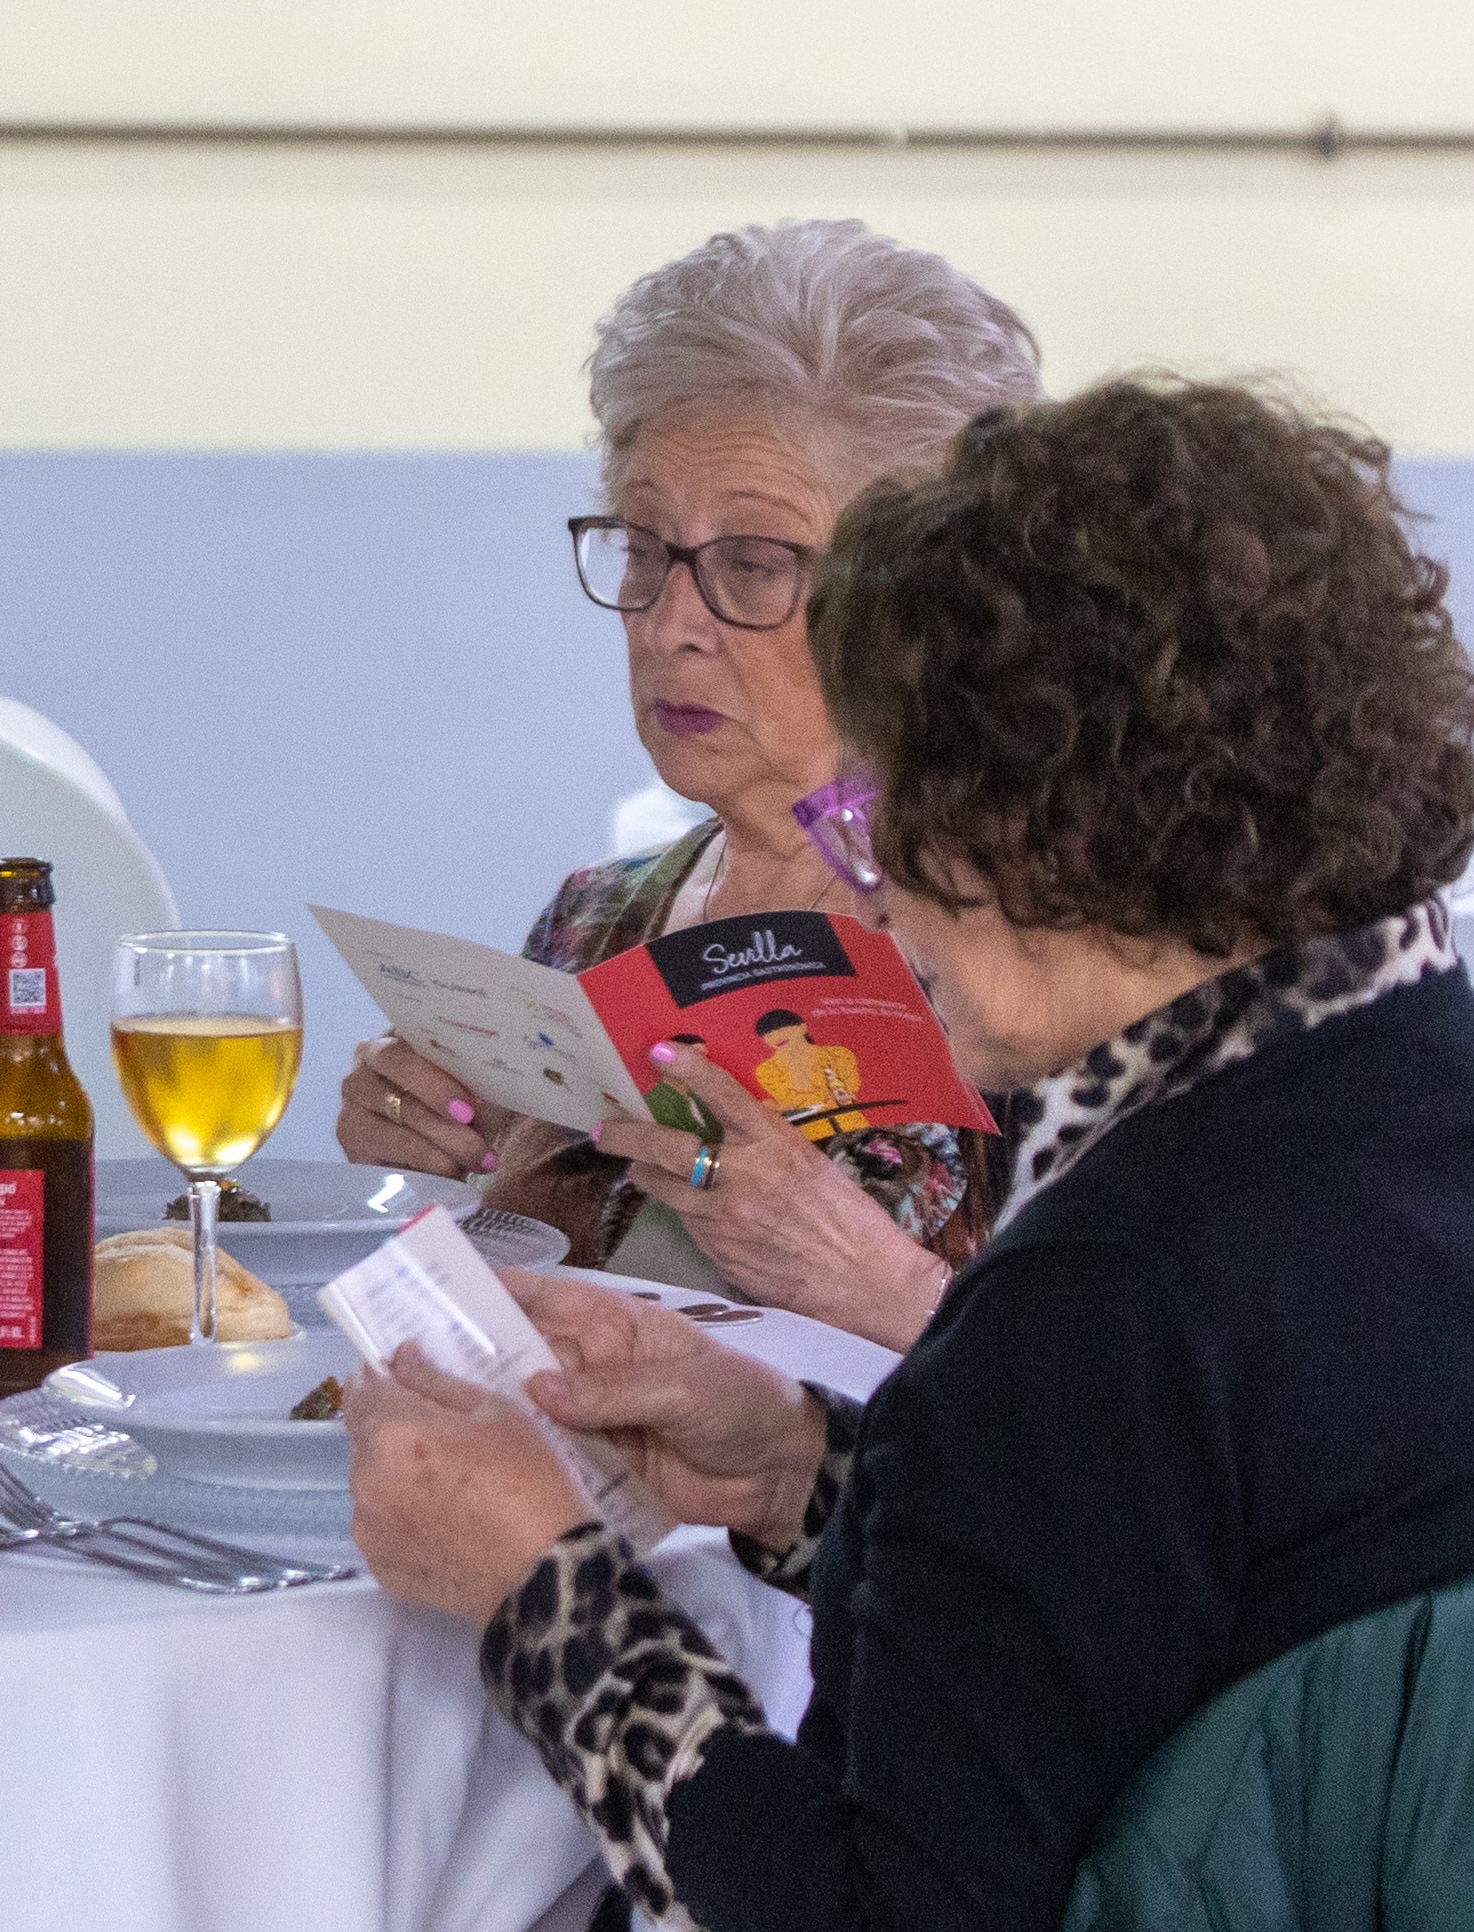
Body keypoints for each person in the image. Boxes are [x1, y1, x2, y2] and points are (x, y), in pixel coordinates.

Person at [342, 376, 1474, 1932]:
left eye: (886, 806)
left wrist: (544, 1586)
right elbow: (1202, 1632)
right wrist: (803, 1472)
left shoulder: (1102, 1297)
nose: (871, 872)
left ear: (1039, 825)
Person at [336, 220, 1036, 1349]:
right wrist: (434, 1144)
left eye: (752, 566)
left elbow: (1157, 1419)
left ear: (920, 600)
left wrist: (886, 1293)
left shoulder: (1034, 964)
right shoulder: (594, 920)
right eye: (646, 548)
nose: (668, 624)